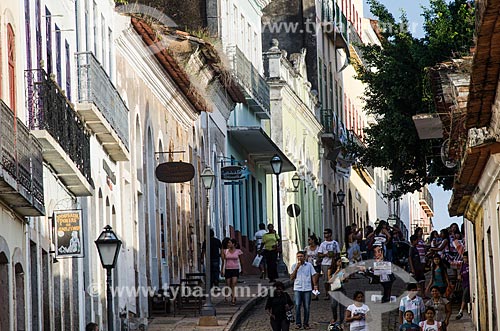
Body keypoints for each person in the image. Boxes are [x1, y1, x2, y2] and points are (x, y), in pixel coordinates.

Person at [290, 250, 318, 330]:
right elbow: (291, 278)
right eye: (298, 256)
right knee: (297, 306)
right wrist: (296, 268)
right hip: (297, 288)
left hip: (307, 288)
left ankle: (306, 323)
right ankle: (298, 323)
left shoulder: (309, 265)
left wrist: (315, 285)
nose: (300, 258)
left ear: (304, 257)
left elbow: (313, 275)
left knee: (306, 307)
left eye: (301, 256)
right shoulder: (294, 266)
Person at [318, 228, 340, 299]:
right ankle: (327, 293)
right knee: (325, 280)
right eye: (324, 233)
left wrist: (335, 256)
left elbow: (338, 253)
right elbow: (319, 254)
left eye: (326, 233)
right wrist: (325, 255)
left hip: (333, 263)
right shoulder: (322, 244)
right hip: (325, 263)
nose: (325, 235)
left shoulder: (335, 243)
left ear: (330, 234)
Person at [221, 238, 243, 305]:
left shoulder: (238, 251)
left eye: (230, 243)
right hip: (228, 269)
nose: (228, 244)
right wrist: (222, 269)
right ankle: (232, 295)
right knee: (228, 284)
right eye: (228, 243)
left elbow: (241, 261)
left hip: (235, 269)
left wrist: (242, 269)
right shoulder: (225, 251)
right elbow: (223, 261)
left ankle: (233, 299)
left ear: (233, 244)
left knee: (233, 283)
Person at [328, 256, 346, 325]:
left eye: (341, 261)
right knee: (333, 305)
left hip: (341, 288)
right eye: (339, 261)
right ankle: (334, 317)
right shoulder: (330, 270)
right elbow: (330, 280)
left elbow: (345, 280)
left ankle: (341, 320)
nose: (340, 263)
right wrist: (336, 272)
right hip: (334, 289)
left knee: (342, 306)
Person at [305, 234, 321, 300]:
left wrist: (318, 260)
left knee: (315, 280)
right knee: (311, 281)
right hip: (309, 265)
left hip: (316, 265)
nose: (308, 241)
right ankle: (315, 293)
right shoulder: (307, 248)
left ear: (313, 240)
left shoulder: (318, 247)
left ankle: (316, 295)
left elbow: (320, 255)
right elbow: (305, 256)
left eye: (309, 240)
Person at [456, 252, 470, 320]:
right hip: (464, 283)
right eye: (464, 258)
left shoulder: (469, 265)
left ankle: (461, 311)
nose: (465, 259)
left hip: (468, 284)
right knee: (464, 297)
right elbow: (460, 273)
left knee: (464, 297)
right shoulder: (463, 265)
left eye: (466, 258)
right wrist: (459, 276)